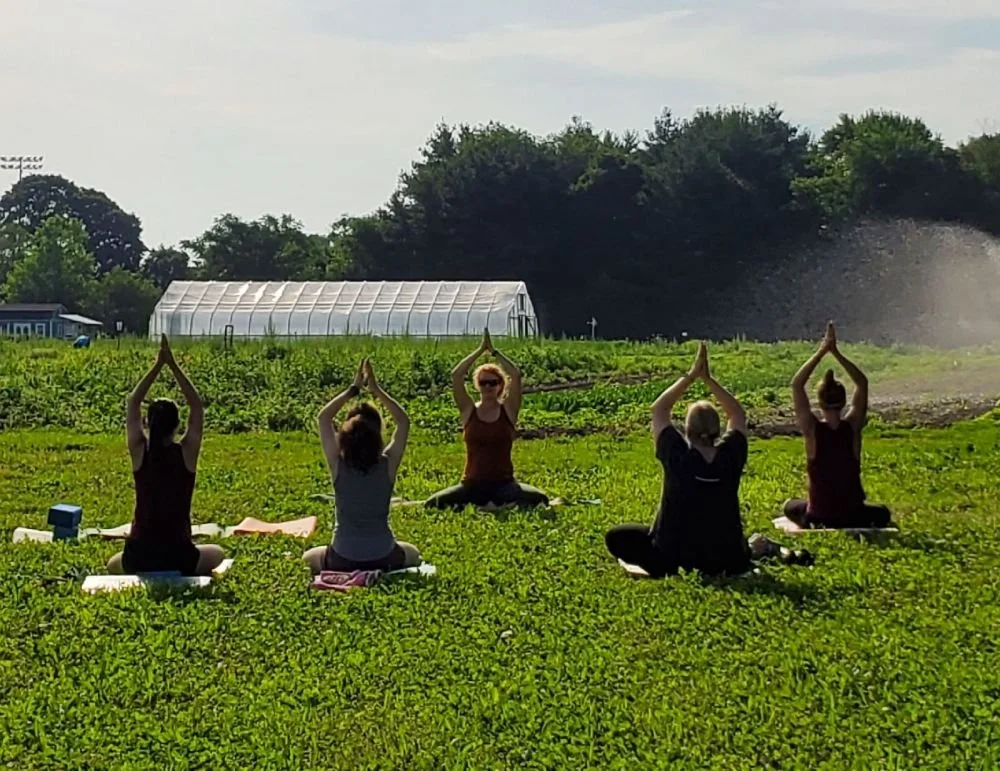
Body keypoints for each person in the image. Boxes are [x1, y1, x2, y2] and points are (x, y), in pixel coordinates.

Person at [605, 342, 753, 577]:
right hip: (728, 559)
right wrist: (709, 380)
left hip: (673, 558)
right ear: (717, 430)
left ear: (686, 430)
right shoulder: (731, 455)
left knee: (617, 537)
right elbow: (737, 413)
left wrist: (691, 375)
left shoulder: (677, 456)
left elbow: (659, 409)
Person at [107, 335, 225, 576]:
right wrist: (172, 364)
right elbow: (196, 406)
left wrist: (157, 366)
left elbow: (133, 402)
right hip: (178, 555)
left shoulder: (140, 451)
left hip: (140, 555)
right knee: (217, 553)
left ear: (147, 423)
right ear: (177, 426)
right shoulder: (186, 453)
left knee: (113, 563)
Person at [304, 358, 422, 574]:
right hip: (384, 556)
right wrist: (376, 390)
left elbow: (323, 418)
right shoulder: (388, 464)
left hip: (343, 557)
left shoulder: (338, 464)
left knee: (308, 557)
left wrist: (353, 389)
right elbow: (403, 421)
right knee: (413, 553)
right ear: (378, 436)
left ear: (344, 439)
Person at [424, 329, 549, 510]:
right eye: (483, 383)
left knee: (540, 499)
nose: (488, 386)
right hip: (472, 484)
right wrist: (479, 350)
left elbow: (515, 374)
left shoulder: (508, 410)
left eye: (493, 382)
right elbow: (456, 375)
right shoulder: (469, 410)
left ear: (500, 385)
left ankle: (490, 505)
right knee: (432, 504)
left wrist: (494, 352)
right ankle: (490, 506)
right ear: (478, 386)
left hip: (504, 484)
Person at [783, 322, 892, 529]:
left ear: (820, 402)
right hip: (854, 515)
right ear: (843, 402)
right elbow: (862, 383)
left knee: (789, 506)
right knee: (883, 512)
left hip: (819, 517)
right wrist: (837, 353)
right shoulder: (852, 427)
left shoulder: (812, 430)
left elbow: (797, 384)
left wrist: (822, 352)